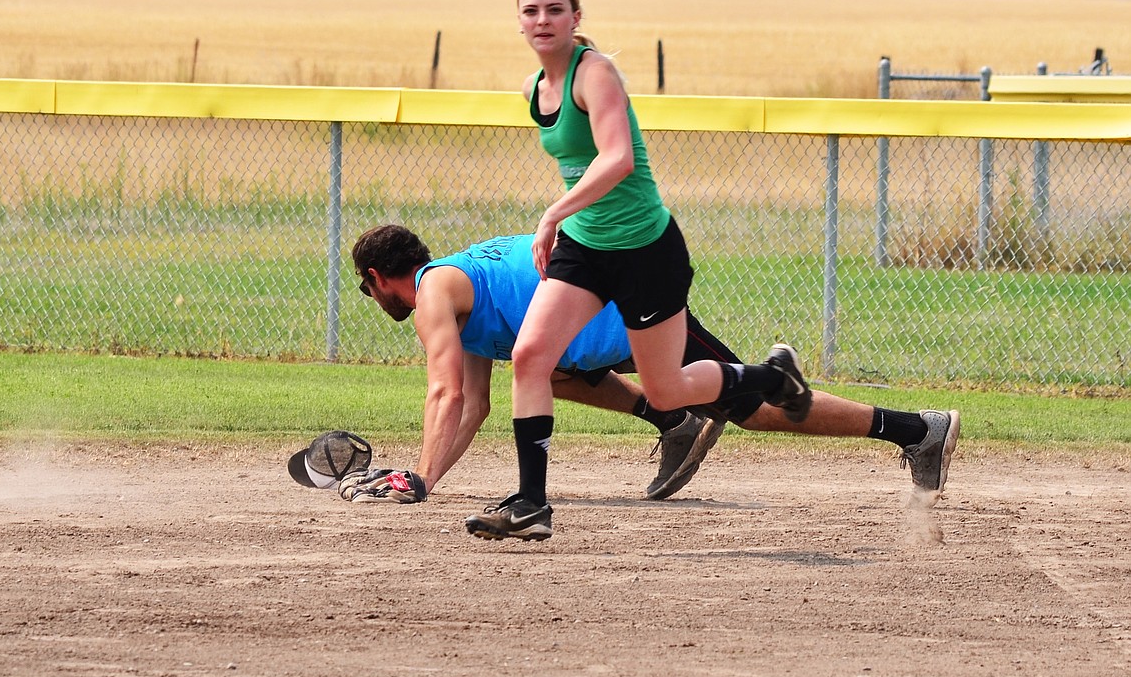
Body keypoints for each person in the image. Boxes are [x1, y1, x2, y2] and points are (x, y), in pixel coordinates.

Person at [465, 0, 956, 541]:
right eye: (531, 11)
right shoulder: (534, 90)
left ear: (576, 18)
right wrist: (567, 219)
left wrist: (552, 212)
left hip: (646, 252)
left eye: (554, 9)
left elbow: (618, 158)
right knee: (530, 358)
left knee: (674, 391)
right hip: (586, 246)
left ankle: (786, 384)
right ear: (519, 22)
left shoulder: (594, 73)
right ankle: (531, 503)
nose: (542, 20)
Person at [349, 224, 959, 525]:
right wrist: (424, 475)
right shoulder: (461, 294)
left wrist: (418, 481)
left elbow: (446, 390)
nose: (374, 299)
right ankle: (671, 419)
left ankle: (914, 428)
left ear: (378, 278)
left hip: (624, 309)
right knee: (543, 373)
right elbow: (474, 405)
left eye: (367, 289)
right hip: (593, 327)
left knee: (756, 410)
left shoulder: (431, 294)